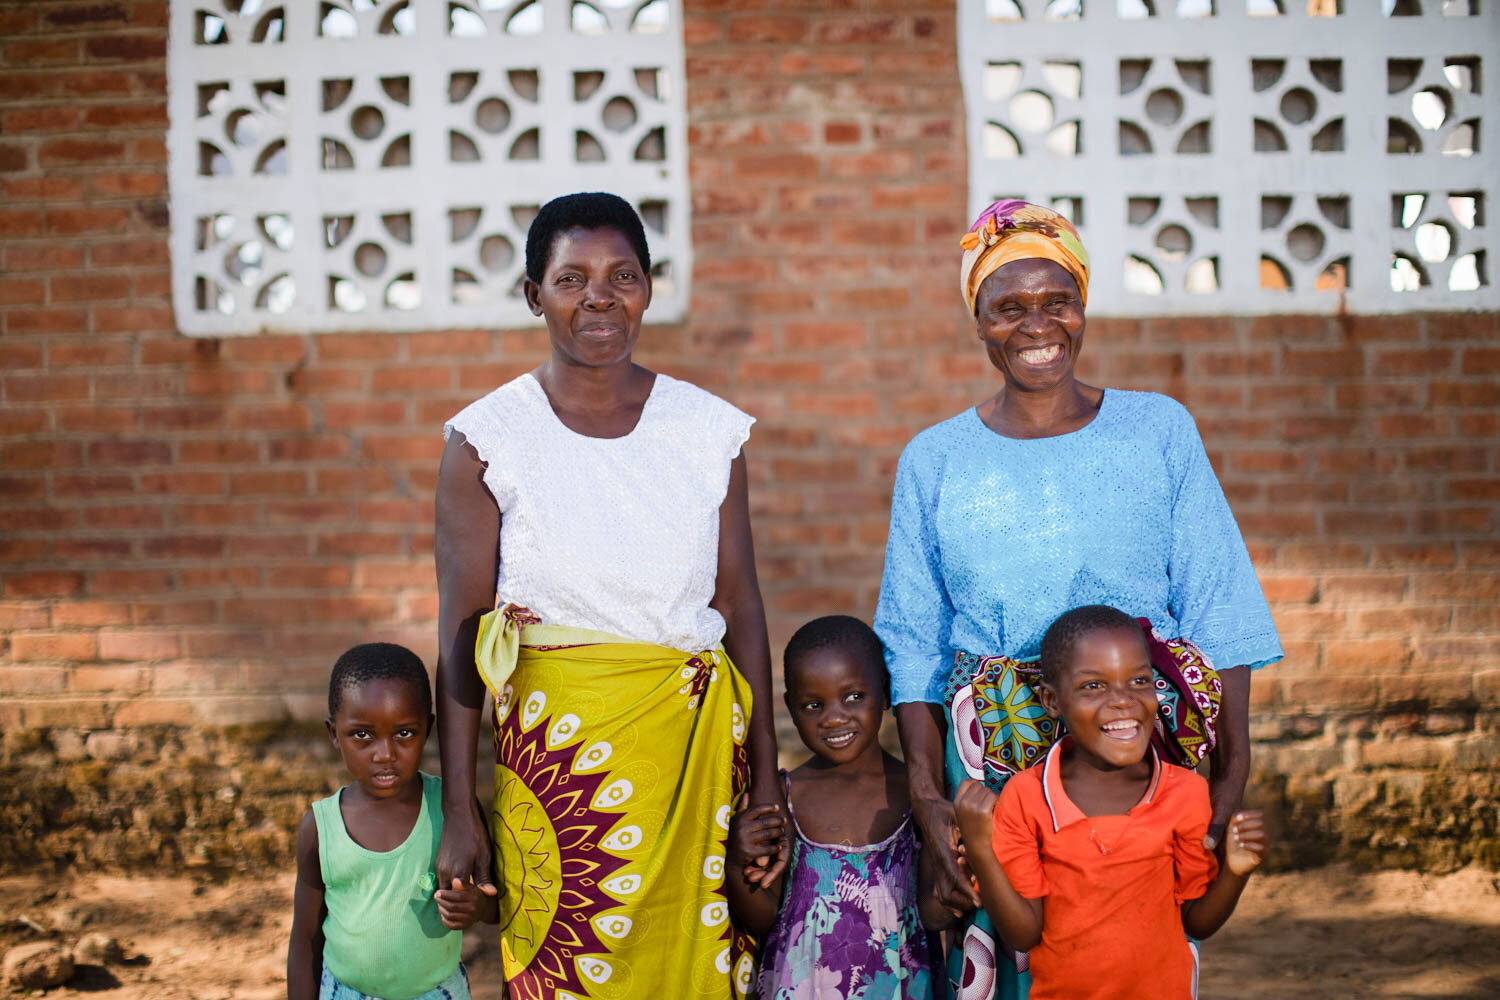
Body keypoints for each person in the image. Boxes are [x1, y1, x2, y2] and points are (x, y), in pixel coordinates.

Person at [874, 199, 1283, 998]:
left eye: (1056, 300)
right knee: (1005, 954)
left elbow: (1220, 606)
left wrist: (1229, 780)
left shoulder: (1157, 431)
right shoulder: (935, 460)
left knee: (1133, 952)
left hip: (1142, 753)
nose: (1037, 325)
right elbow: (912, 642)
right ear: (979, 321)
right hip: (990, 763)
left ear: (1084, 304)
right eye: (1009, 307)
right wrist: (931, 801)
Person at [433, 192, 782, 999]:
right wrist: (461, 807)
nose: (600, 296)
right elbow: (460, 631)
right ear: (533, 295)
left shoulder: (706, 431)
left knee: (698, 963)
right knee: (566, 973)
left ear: (649, 287)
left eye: (623, 275)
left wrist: (765, 778)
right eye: (571, 278)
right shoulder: (488, 440)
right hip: (562, 781)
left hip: (694, 765)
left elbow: (743, 606)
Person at [952, 605, 1267, 1000]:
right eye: (1093, 686)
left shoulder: (1185, 793)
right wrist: (981, 848)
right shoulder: (1027, 797)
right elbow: (1024, 932)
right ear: (1051, 700)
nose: (1123, 701)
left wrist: (1235, 873)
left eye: (1139, 680)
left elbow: (1197, 922)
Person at [726, 615, 941, 999]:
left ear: (887, 693)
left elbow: (934, 913)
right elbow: (761, 917)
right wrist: (736, 860)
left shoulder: (918, 796)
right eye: (813, 705)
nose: (834, 717)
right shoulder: (782, 797)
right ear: (791, 709)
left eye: (854, 696)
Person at [287, 642, 497, 1000]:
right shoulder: (321, 828)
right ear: (333, 734)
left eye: (403, 733)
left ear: (428, 730)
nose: (385, 754)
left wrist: (477, 906)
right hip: (344, 992)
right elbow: (305, 941)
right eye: (362, 735)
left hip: (436, 992)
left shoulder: (454, 813)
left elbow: (498, 906)